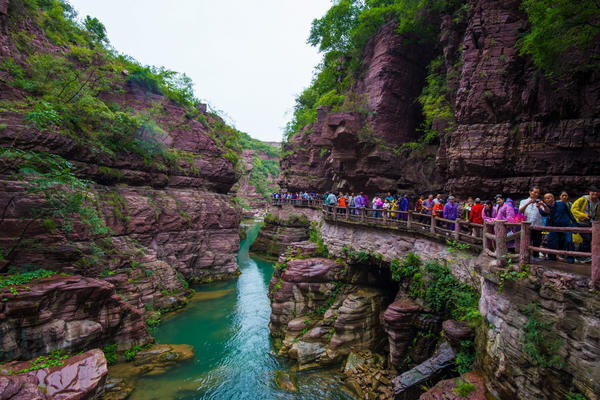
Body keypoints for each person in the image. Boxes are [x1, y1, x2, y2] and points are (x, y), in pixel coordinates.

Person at [541, 193, 577, 263]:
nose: (548, 199)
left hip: (566, 226)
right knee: (551, 242)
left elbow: (570, 214)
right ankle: (551, 257)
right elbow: (544, 214)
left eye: (549, 198)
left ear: (553, 198)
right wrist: (540, 207)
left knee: (569, 241)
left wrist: (574, 224)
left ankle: (570, 258)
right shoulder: (546, 207)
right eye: (546, 198)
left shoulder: (562, 204)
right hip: (554, 227)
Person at [571, 187, 600, 263]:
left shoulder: (598, 202)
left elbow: (598, 215)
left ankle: (585, 256)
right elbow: (573, 209)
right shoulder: (583, 199)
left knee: (589, 240)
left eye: (597, 192)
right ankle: (581, 257)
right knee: (586, 239)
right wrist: (583, 216)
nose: (595, 194)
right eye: (593, 192)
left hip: (591, 224)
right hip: (580, 223)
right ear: (589, 192)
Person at [519, 186, 548, 260]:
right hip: (527, 225)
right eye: (535, 192)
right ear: (530, 192)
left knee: (537, 242)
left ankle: (536, 256)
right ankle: (525, 257)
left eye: (538, 193)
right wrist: (528, 203)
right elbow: (520, 211)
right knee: (526, 242)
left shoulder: (540, 202)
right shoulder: (523, 201)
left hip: (538, 225)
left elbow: (547, 212)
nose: (536, 194)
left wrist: (542, 205)